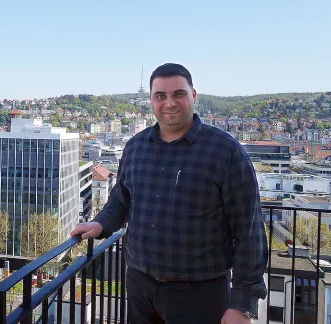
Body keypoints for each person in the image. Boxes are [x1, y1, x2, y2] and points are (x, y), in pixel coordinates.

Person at [70, 63, 268, 324]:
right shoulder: (135, 147)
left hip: (200, 293)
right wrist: (101, 223)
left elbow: (248, 229)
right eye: (160, 96)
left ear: (194, 95)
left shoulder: (225, 151)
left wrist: (242, 304)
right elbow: (121, 199)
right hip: (140, 285)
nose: (169, 103)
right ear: (151, 100)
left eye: (179, 94)